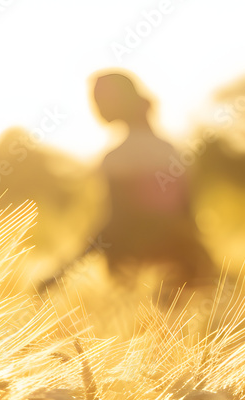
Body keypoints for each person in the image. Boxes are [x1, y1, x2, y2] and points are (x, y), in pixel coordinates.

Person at [38, 71, 216, 298]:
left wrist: (61, 274)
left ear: (119, 102)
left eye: (99, 100)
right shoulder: (174, 151)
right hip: (187, 262)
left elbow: (113, 226)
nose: (96, 109)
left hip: (134, 272)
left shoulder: (118, 157)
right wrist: (209, 267)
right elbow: (189, 219)